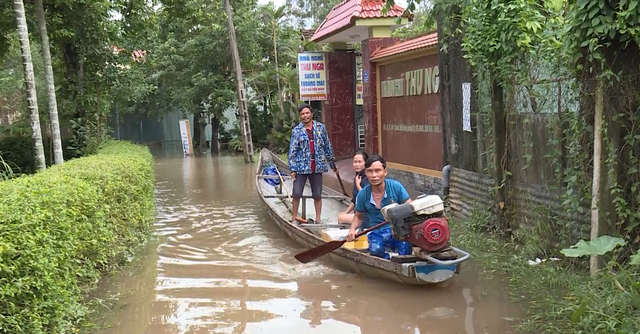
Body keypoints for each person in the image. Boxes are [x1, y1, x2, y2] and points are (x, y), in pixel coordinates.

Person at [288, 103, 337, 223]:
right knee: (296, 193)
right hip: (301, 167)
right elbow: (292, 150)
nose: (305, 116)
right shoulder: (297, 131)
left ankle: (318, 219)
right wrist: (293, 168)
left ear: (311, 114)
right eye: (302, 114)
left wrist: (332, 164)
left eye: (307, 113)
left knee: (317, 194)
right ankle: (294, 217)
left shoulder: (320, 128)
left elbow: (327, 146)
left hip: (317, 167)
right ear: (300, 116)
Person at [346, 154, 412, 242]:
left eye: (377, 171)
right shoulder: (362, 194)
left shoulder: (396, 186)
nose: (374, 175)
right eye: (370, 171)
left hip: (398, 231)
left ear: (385, 172)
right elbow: (358, 217)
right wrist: (352, 230)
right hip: (376, 233)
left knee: (404, 248)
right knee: (376, 249)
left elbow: (410, 207)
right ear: (366, 173)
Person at [337, 150, 370, 225]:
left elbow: (366, 196)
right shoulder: (358, 176)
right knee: (341, 215)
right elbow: (355, 199)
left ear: (366, 163)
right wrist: (346, 212)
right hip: (359, 213)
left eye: (360, 162)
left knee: (340, 219)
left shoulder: (368, 177)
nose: (357, 164)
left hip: (367, 216)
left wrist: (358, 185)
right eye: (355, 162)